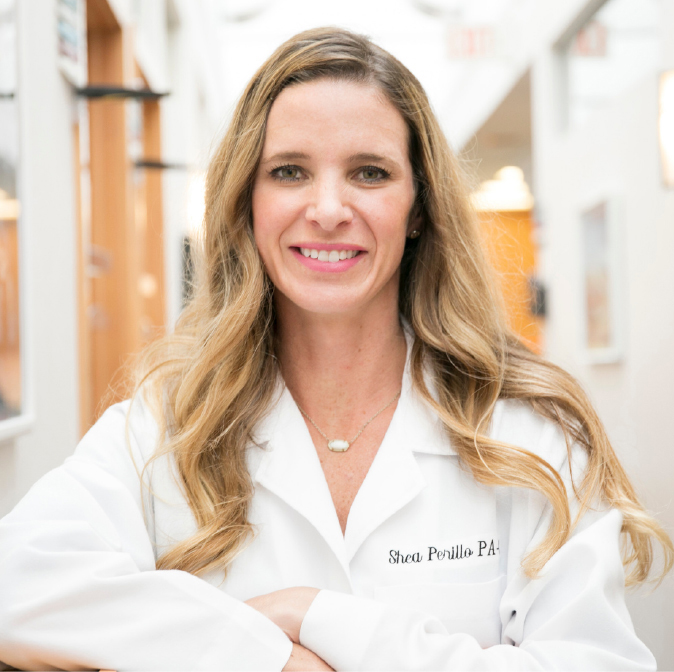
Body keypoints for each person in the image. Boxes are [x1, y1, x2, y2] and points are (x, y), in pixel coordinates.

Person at [0, 27, 672, 672]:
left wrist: (320, 616)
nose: (327, 208)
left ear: (418, 209)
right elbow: (17, 588)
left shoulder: (526, 432)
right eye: (289, 171)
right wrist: (259, 655)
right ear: (247, 201)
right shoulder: (168, 423)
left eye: (370, 173)